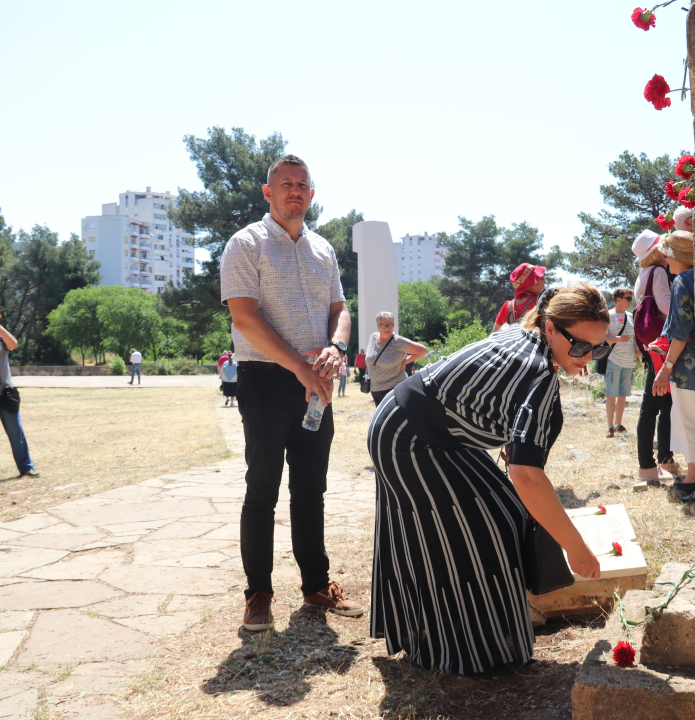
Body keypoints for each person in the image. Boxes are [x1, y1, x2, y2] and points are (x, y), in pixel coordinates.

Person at [367, 283, 609, 674]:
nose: (589, 358)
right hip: (407, 439)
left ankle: (483, 629)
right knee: (479, 531)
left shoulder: (528, 338)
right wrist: (575, 549)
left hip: (428, 430)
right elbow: (527, 477)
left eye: (599, 348)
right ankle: (466, 647)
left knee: (505, 512)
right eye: (580, 346)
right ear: (550, 328)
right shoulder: (538, 372)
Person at [220, 153, 362, 633]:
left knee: (311, 489)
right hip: (265, 379)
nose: (295, 190)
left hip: (316, 382)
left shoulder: (322, 249)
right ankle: (258, 592)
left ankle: (316, 585)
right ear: (268, 192)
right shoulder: (246, 244)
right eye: (286, 183)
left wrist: (339, 346)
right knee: (262, 488)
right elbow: (244, 318)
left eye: (302, 183)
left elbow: (340, 308)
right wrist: (300, 367)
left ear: (312, 193)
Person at [652, 230, 695, 500]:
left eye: (667, 256)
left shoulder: (682, 280)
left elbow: (681, 331)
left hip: (686, 368)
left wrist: (665, 368)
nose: (665, 261)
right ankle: (694, 478)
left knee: (690, 424)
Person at [632, 229, 680, 482]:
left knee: (661, 405)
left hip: (650, 346)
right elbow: (665, 305)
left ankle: (663, 460)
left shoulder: (642, 275)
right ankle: (649, 466)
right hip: (661, 346)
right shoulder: (659, 272)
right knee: (654, 407)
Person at [0, 303, 38, 481]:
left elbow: (13, 345)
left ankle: (26, 467)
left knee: (15, 430)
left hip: (4, 392)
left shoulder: (1, 336)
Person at [364, 312, 428, 407]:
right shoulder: (373, 338)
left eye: (389, 325)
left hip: (394, 388)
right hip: (375, 389)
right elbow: (371, 360)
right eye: (383, 325)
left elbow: (423, 350)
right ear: (378, 326)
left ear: (393, 325)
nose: (387, 328)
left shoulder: (398, 341)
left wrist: (405, 361)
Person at [604, 287, 636, 438]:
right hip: (613, 360)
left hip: (628, 362)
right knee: (611, 395)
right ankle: (609, 427)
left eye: (631, 298)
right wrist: (617, 339)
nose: (630, 301)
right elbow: (602, 338)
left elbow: (634, 338)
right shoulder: (608, 315)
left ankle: (618, 424)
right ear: (618, 299)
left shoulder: (630, 316)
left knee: (622, 395)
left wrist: (637, 350)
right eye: (628, 298)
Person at [492, 262, 546, 332]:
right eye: (541, 277)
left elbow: (494, 335)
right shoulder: (539, 304)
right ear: (533, 282)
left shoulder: (507, 306)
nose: (545, 281)